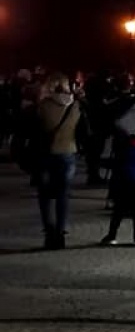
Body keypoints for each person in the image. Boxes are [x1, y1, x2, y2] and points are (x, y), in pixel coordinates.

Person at [32, 74, 84, 251]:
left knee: (45, 195)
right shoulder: (75, 106)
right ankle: (60, 233)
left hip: (46, 153)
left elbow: (35, 128)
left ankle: (49, 232)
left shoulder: (43, 106)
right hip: (68, 151)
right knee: (63, 194)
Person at [101, 134, 135, 246]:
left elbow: (117, 166)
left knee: (118, 211)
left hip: (124, 183)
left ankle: (112, 236)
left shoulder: (124, 150)